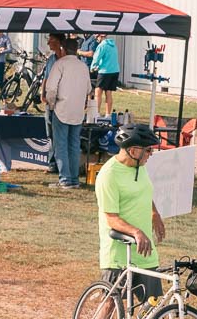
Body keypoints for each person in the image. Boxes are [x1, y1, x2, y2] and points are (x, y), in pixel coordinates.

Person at [94, 122, 166, 303]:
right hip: (119, 253)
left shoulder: (139, 167)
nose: (151, 155)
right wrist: (136, 232)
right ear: (133, 151)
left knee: (151, 309)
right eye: (148, 150)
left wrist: (154, 213)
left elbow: (142, 192)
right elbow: (111, 218)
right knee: (111, 304)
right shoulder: (108, 175)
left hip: (145, 252)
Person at [41, 34, 93, 188]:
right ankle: (74, 179)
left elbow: (51, 88)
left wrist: (51, 103)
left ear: (63, 48)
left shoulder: (60, 64)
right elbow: (89, 89)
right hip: (77, 111)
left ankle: (65, 179)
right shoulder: (83, 66)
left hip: (61, 109)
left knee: (61, 145)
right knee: (74, 145)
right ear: (77, 50)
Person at [89, 33, 121, 118]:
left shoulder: (102, 45)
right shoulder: (113, 45)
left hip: (104, 72)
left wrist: (92, 68)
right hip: (115, 71)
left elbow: (96, 58)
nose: (96, 40)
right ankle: (108, 115)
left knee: (98, 93)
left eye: (97, 37)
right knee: (109, 93)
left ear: (101, 36)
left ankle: (96, 114)